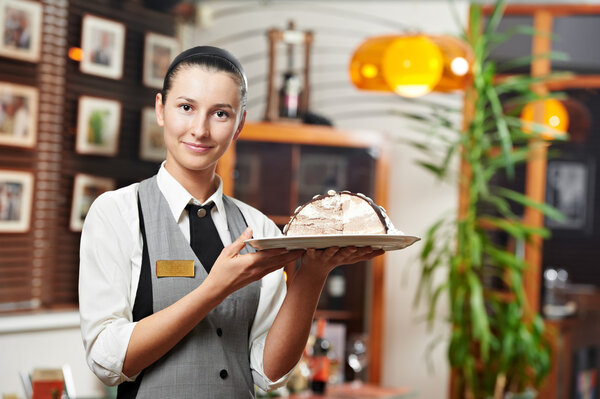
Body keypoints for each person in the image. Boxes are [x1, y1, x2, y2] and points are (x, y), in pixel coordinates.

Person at [78, 46, 383, 398]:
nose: (200, 129)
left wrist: (312, 274)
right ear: (161, 109)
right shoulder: (116, 213)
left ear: (239, 125)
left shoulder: (260, 228)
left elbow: (269, 374)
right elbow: (107, 359)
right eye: (186, 107)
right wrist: (215, 288)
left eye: (220, 114)